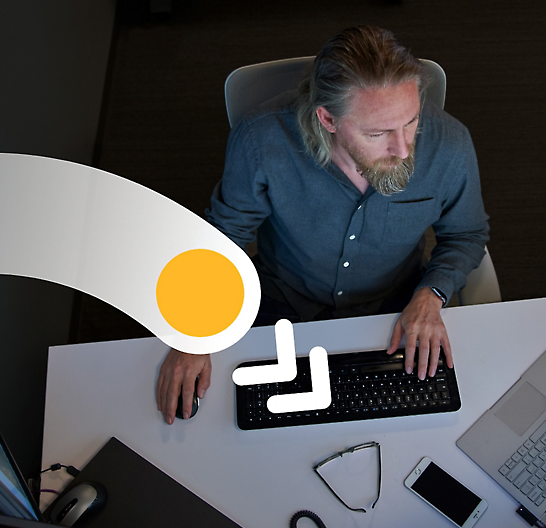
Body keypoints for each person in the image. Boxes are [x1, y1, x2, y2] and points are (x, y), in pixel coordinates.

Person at [157, 25, 489, 424]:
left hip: (394, 311)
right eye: (378, 132)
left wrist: (431, 293)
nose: (403, 149)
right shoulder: (262, 140)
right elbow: (226, 235)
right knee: (242, 427)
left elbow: (466, 234)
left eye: (411, 122)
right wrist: (195, 331)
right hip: (281, 301)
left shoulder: (450, 143)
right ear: (328, 119)